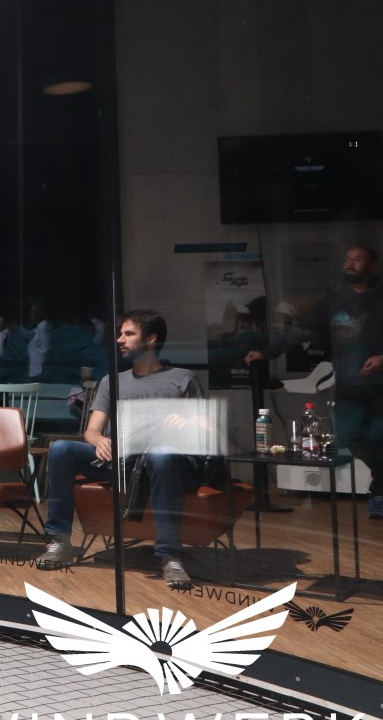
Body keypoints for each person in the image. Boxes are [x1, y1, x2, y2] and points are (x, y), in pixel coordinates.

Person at [33, 310, 205, 589]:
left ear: (151, 339)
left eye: (128, 334)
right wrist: (99, 440)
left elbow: (204, 429)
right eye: (120, 334)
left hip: (162, 463)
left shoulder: (182, 379)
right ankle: (60, 542)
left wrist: (188, 422)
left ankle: (170, 556)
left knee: (162, 455)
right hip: (121, 461)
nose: (119, 340)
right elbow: (91, 430)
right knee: (61, 449)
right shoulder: (111, 381)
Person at [244, 245, 383, 518]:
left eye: (358, 259)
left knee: (379, 440)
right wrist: (267, 353)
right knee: (348, 436)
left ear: (372, 266)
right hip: (349, 388)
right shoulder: (334, 300)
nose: (350, 264)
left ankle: (378, 493)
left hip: (381, 389)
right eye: (347, 259)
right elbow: (300, 330)